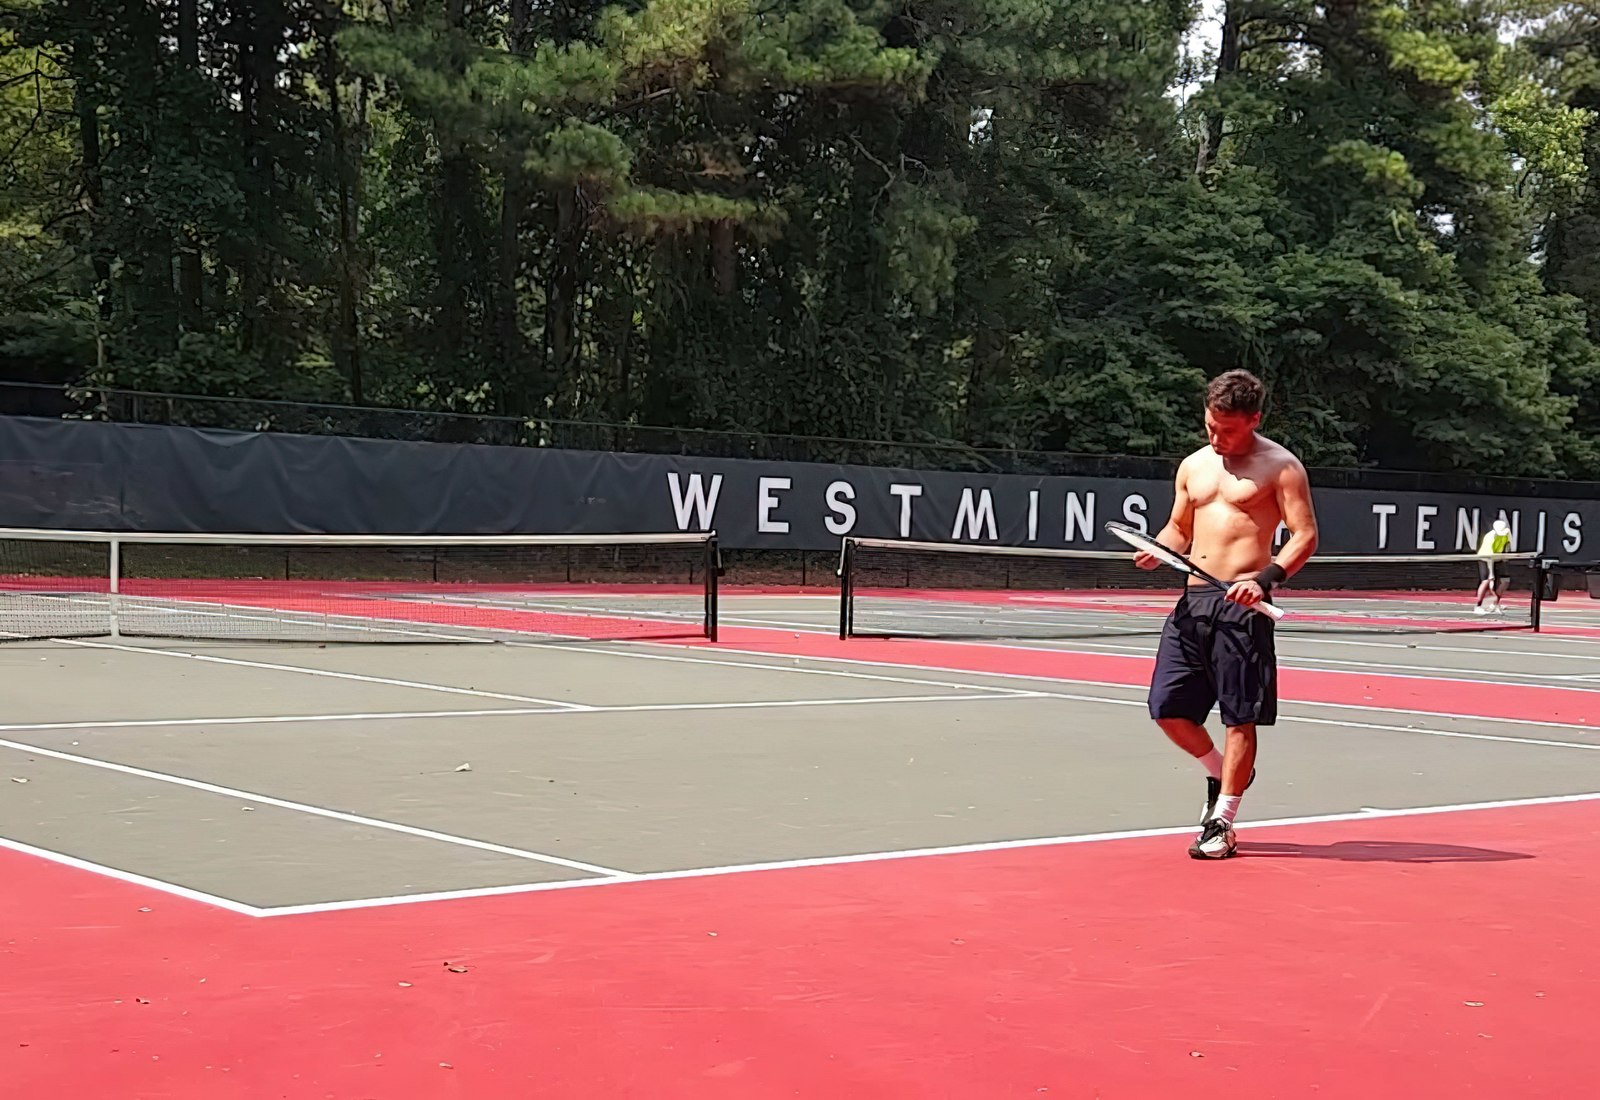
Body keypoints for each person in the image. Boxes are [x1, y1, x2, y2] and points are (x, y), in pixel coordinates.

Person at [1134, 370, 1319, 859]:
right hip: (1193, 603)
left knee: (1241, 717)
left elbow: (1304, 536)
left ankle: (1223, 820)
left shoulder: (1281, 467)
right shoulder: (1194, 465)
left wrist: (1264, 579)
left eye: (1228, 430)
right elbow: (1179, 527)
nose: (1217, 438)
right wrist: (1158, 549)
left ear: (1253, 419)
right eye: (1211, 427)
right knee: (1167, 709)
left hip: (1245, 606)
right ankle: (1221, 772)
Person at [1474, 518, 1512, 615]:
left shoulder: (1507, 533)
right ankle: (1478, 606)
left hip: (1498, 558)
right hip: (1486, 558)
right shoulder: (1490, 537)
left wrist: (1505, 556)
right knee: (1486, 581)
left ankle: (1494, 604)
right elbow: (1489, 557)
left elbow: (1507, 545)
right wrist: (1491, 573)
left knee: (1505, 581)